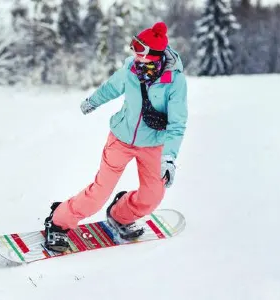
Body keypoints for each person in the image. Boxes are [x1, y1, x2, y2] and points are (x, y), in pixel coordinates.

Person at [43, 21, 188, 253]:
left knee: (152, 196)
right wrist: (93, 102)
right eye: (133, 47)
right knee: (98, 193)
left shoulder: (174, 82)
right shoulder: (131, 70)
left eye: (139, 50)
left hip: (153, 145)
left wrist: (169, 157)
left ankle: (121, 214)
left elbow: (177, 123)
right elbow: (110, 88)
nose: (134, 53)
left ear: (154, 54)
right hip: (121, 139)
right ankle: (58, 221)